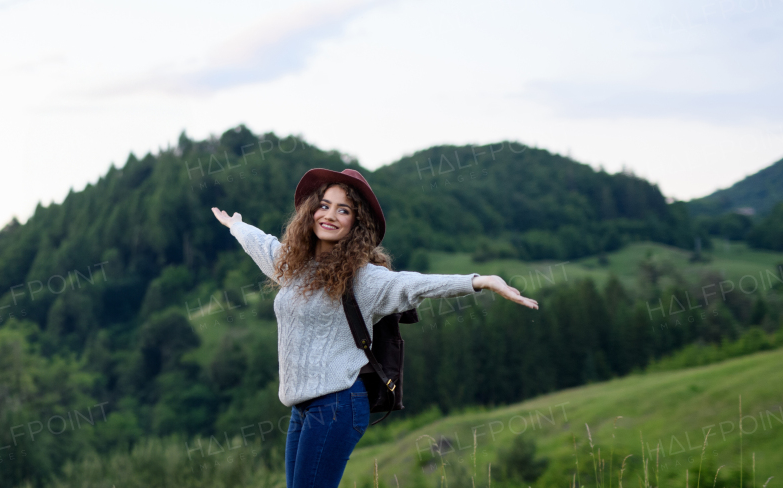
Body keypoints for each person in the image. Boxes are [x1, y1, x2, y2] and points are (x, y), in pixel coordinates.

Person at [210, 168, 538, 488]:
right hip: (302, 408)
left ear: (357, 224)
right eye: (324, 205)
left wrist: (479, 281)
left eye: (344, 210)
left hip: (337, 404)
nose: (330, 215)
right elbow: (263, 244)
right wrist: (236, 226)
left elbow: (415, 284)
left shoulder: (365, 279)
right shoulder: (295, 267)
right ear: (311, 211)